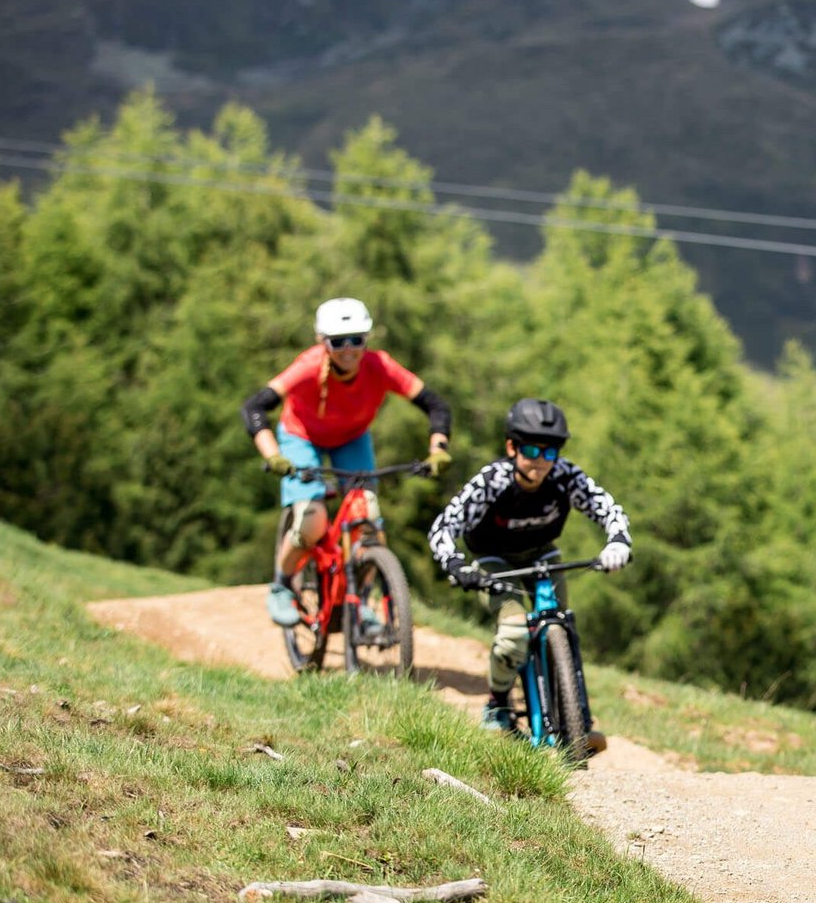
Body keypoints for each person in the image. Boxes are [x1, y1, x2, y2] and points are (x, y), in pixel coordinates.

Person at [427, 398, 631, 744]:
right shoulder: (492, 481)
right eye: (531, 450)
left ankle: (577, 716)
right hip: (495, 561)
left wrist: (618, 542)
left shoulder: (565, 476)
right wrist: (456, 564)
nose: (540, 462)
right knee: (513, 633)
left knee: (561, 625)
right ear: (512, 447)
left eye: (549, 453)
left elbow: (606, 507)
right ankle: (498, 705)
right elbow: (442, 529)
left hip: (542, 555)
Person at [241, 297, 452, 626]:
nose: (349, 349)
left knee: (367, 516)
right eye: (339, 342)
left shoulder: (380, 366)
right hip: (302, 437)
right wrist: (273, 455)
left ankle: (360, 600)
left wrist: (438, 448)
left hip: (352, 438)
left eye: (357, 339)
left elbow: (435, 404)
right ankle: (282, 586)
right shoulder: (308, 367)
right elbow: (254, 407)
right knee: (311, 519)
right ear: (322, 342)